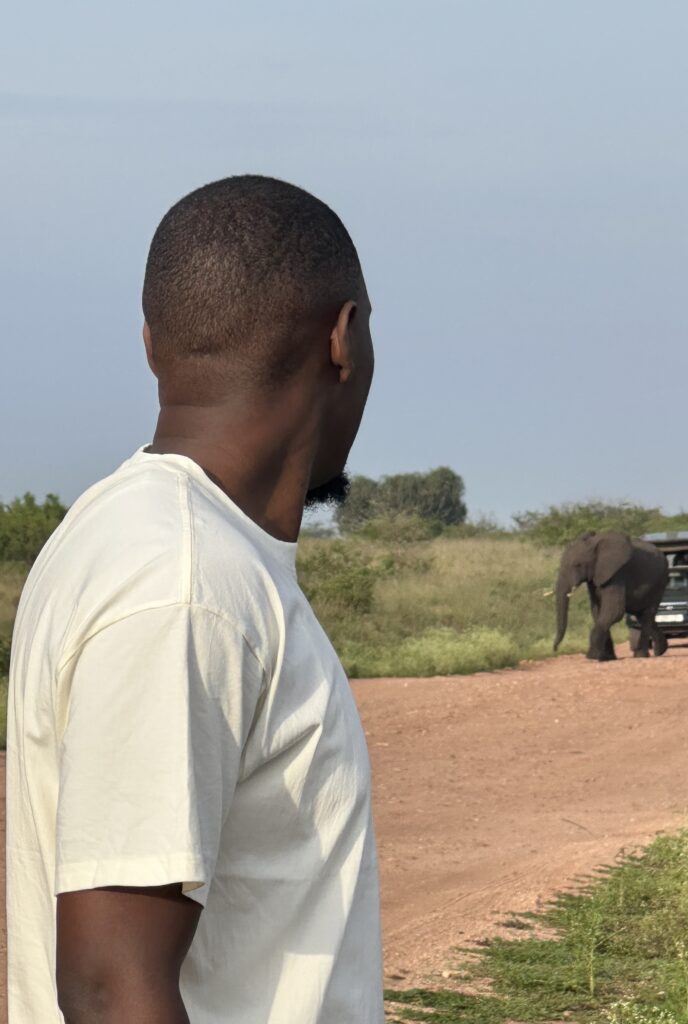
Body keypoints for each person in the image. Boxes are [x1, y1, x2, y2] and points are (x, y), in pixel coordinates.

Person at [6, 176, 383, 1023]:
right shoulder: (182, 583)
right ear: (344, 338)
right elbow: (110, 991)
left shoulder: (146, 542)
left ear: (151, 343)